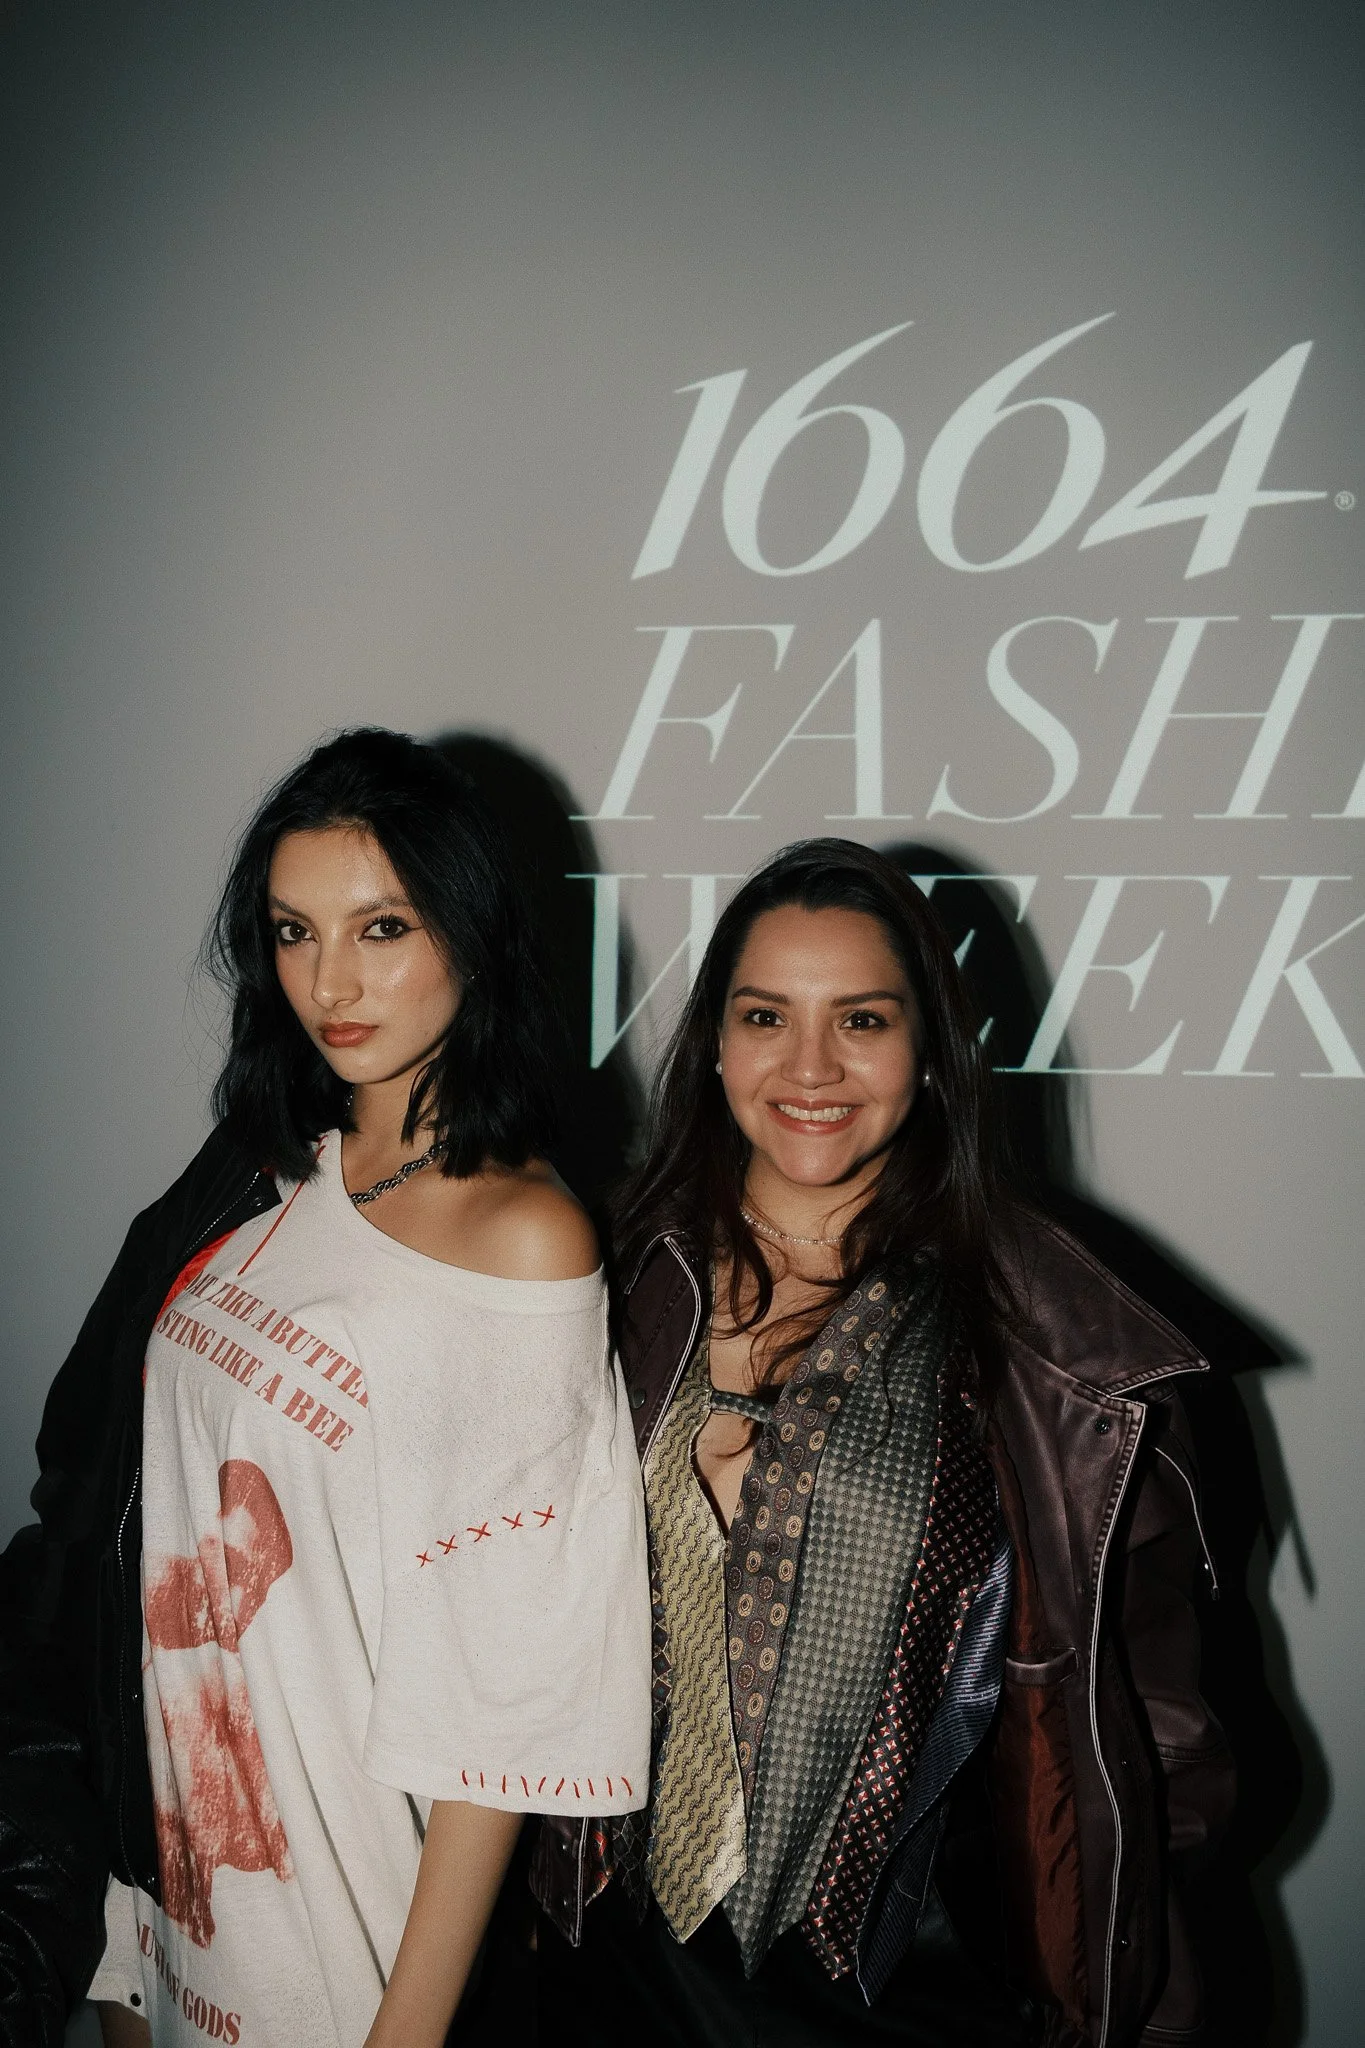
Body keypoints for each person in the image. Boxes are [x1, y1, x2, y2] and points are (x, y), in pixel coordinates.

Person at [0, 728, 651, 2048]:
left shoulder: (522, 1241)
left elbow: (499, 1704)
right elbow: (123, 1523)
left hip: (347, 1937)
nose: (329, 983)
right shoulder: (264, 1169)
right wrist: (129, 1947)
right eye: (294, 932)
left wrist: (401, 2037)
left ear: (468, 934)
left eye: (382, 928)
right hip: (177, 1901)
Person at [535, 838, 1234, 2048]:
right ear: (714, 1041)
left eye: (861, 1017)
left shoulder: (1058, 1350)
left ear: (930, 1050)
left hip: (913, 1982)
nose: (811, 1065)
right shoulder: (601, 1278)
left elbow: (1158, 1750)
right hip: (616, 1959)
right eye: (767, 1015)